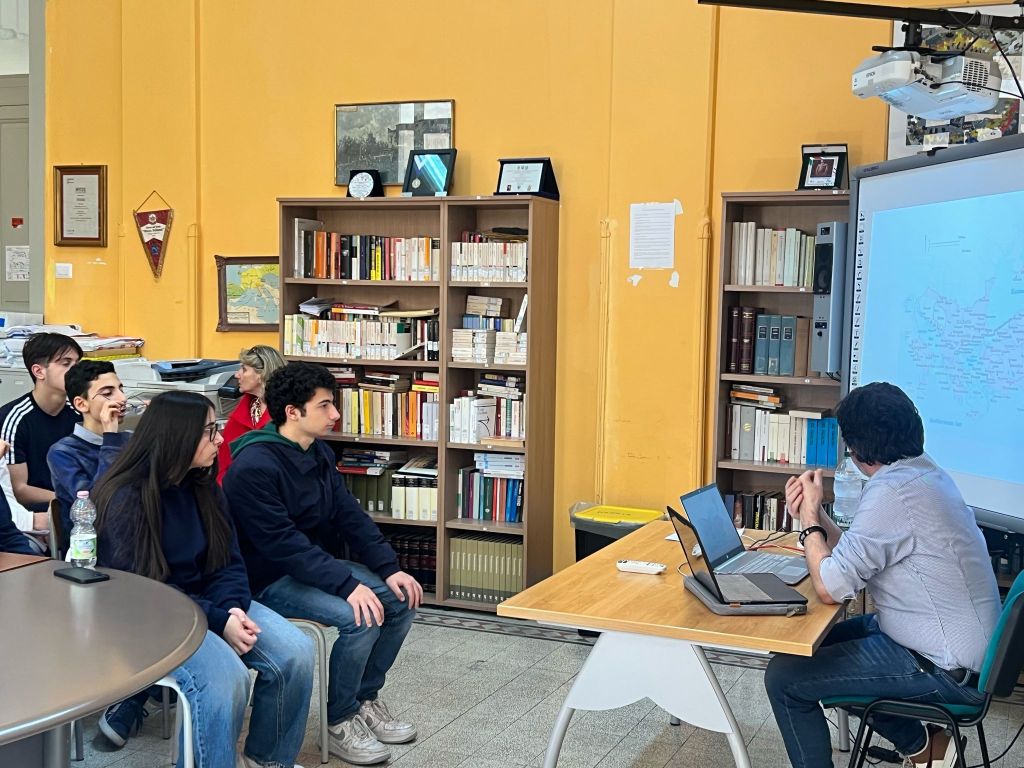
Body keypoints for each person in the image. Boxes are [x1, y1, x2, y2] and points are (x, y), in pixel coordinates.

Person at [764, 382, 1000, 768]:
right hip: (942, 648)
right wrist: (816, 513)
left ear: (859, 450)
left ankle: (924, 746)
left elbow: (830, 588)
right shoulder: (923, 473)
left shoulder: (893, 493)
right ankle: (926, 748)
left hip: (942, 668)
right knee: (802, 650)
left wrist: (808, 524)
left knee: (784, 679)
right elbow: (856, 553)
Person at [94, 391, 314, 768]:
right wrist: (219, 620)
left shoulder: (202, 483)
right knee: (226, 680)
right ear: (177, 437)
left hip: (211, 605)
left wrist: (232, 608)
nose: (220, 439)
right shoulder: (126, 496)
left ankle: (267, 760)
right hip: (152, 618)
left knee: (297, 652)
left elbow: (228, 561)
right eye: (210, 431)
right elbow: (145, 590)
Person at [223, 362, 422, 766]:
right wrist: (347, 586)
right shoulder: (253, 466)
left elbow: (349, 515)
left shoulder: (318, 453)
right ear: (292, 412)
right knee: (361, 617)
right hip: (267, 578)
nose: (335, 414)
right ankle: (340, 719)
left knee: (401, 600)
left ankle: (363, 699)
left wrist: (389, 568)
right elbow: (283, 545)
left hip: (312, 567)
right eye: (325, 405)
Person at [0, 333, 83, 532]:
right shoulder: (14, 418)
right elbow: (19, 490)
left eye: (77, 363)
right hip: (36, 516)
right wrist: (74, 500)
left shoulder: (78, 412)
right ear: (39, 371)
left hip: (76, 505)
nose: (76, 371)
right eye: (66, 363)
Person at [47, 360, 131, 552]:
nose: (122, 398)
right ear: (81, 404)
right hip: (94, 548)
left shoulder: (131, 440)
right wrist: (110, 439)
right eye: (108, 393)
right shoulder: (63, 452)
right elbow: (98, 504)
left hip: (136, 537)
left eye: (121, 389)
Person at [217, 345, 285, 483]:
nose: (237, 375)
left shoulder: (287, 414)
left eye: (244, 369)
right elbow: (224, 462)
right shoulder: (244, 410)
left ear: (261, 374)